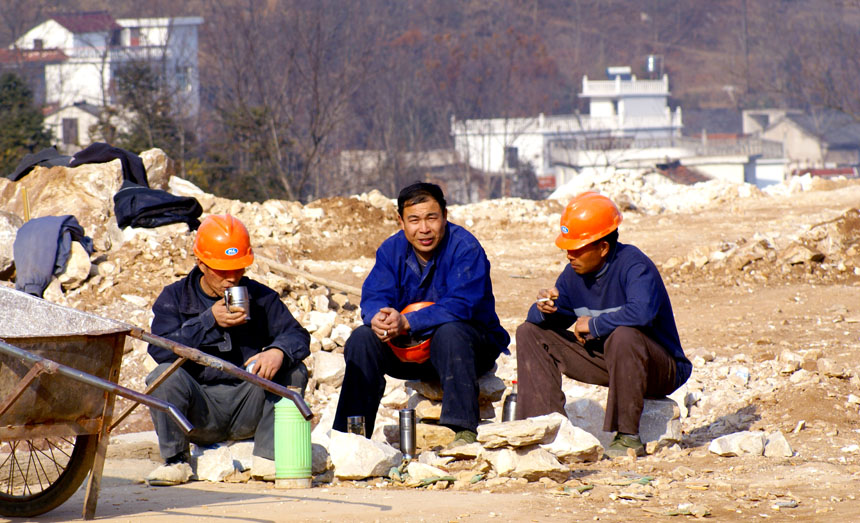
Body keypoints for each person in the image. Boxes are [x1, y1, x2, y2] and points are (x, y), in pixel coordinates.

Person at [515, 192, 691, 458]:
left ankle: (627, 436)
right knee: (529, 333)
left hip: (659, 367)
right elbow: (543, 319)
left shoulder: (634, 265)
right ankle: (546, 430)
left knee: (624, 336)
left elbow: (641, 312)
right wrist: (544, 308)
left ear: (603, 247)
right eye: (567, 248)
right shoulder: (574, 273)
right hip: (613, 363)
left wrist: (593, 325)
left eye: (577, 248)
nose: (569, 255)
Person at [333, 182, 510, 446]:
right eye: (414, 220)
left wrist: (407, 321)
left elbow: (462, 305)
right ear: (401, 221)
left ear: (445, 216)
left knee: (450, 332)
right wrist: (377, 318)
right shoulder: (391, 250)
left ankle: (461, 431)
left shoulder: (466, 248)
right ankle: (350, 438)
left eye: (431, 218)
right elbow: (375, 295)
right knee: (362, 339)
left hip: (467, 350)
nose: (424, 229)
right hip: (411, 351)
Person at [145, 214, 310, 486]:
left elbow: (298, 336)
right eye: (223, 271)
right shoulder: (174, 297)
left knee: (293, 369)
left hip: (248, 402)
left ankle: (268, 458)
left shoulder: (260, 296)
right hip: (200, 410)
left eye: (238, 270)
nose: (231, 279)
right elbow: (160, 349)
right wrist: (208, 321)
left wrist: (278, 351)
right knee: (163, 376)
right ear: (201, 263)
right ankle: (176, 462)